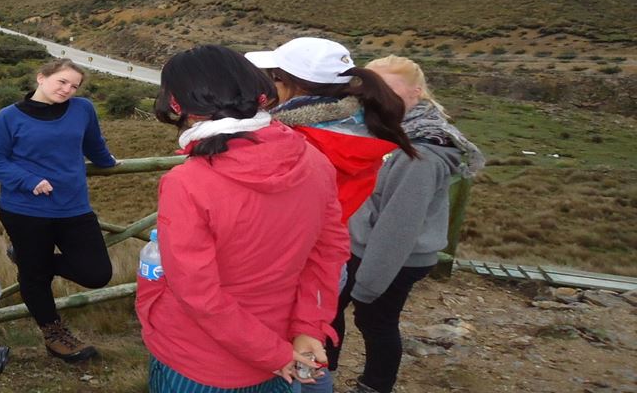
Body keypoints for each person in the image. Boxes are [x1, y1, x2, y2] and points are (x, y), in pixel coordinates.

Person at [136, 45, 348, 393]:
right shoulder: (313, 160)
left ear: (178, 105)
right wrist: (309, 326)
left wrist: (275, 354)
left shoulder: (187, 183)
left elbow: (198, 294)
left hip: (199, 360)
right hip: (281, 342)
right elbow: (329, 253)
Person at [245, 37, 418, 393]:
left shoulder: (296, 140)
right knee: (307, 347)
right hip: (328, 261)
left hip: (285, 263)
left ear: (286, 83)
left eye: (270, 78)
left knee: (275, 358)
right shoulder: (361, 128)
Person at [308, 55, 482, 393]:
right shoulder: (390, 131)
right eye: (368, 87)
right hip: (363, 247)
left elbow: (398, 227)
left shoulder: (421, 153)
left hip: (393, 258)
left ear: (416, 92)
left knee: (375, 321)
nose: (373, 95)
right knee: (334, 312)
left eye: (386, 88)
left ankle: (372, 385)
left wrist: (368, 286)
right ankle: (324, 373)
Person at [0, 58, 118, 362]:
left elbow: (94, 144)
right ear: (41, 78)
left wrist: (108, 162)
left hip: (74, 207)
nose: (68, 89)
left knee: (96, 273)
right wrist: (28, 180)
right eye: (62, 82)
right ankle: (55, 336)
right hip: (25, 209)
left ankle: (30, 260)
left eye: (74, 85)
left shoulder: (83, 109)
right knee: (35, 278)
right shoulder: (8, 117)